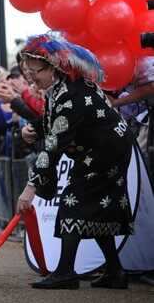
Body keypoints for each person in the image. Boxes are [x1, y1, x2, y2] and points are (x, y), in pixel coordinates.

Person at [16, 33, 133, 290]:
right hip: (101, 148)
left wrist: (30, 189)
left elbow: (54, 145)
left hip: (106, 150)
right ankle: (115, 271)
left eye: (35, 70)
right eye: (28, 70)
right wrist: (33, 128)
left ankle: (66, 273)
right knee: (97, 207)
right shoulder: (57, 91)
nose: (30, 76)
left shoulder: (70, 95)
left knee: (73, 200)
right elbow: (54, 124)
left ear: (54, 67)